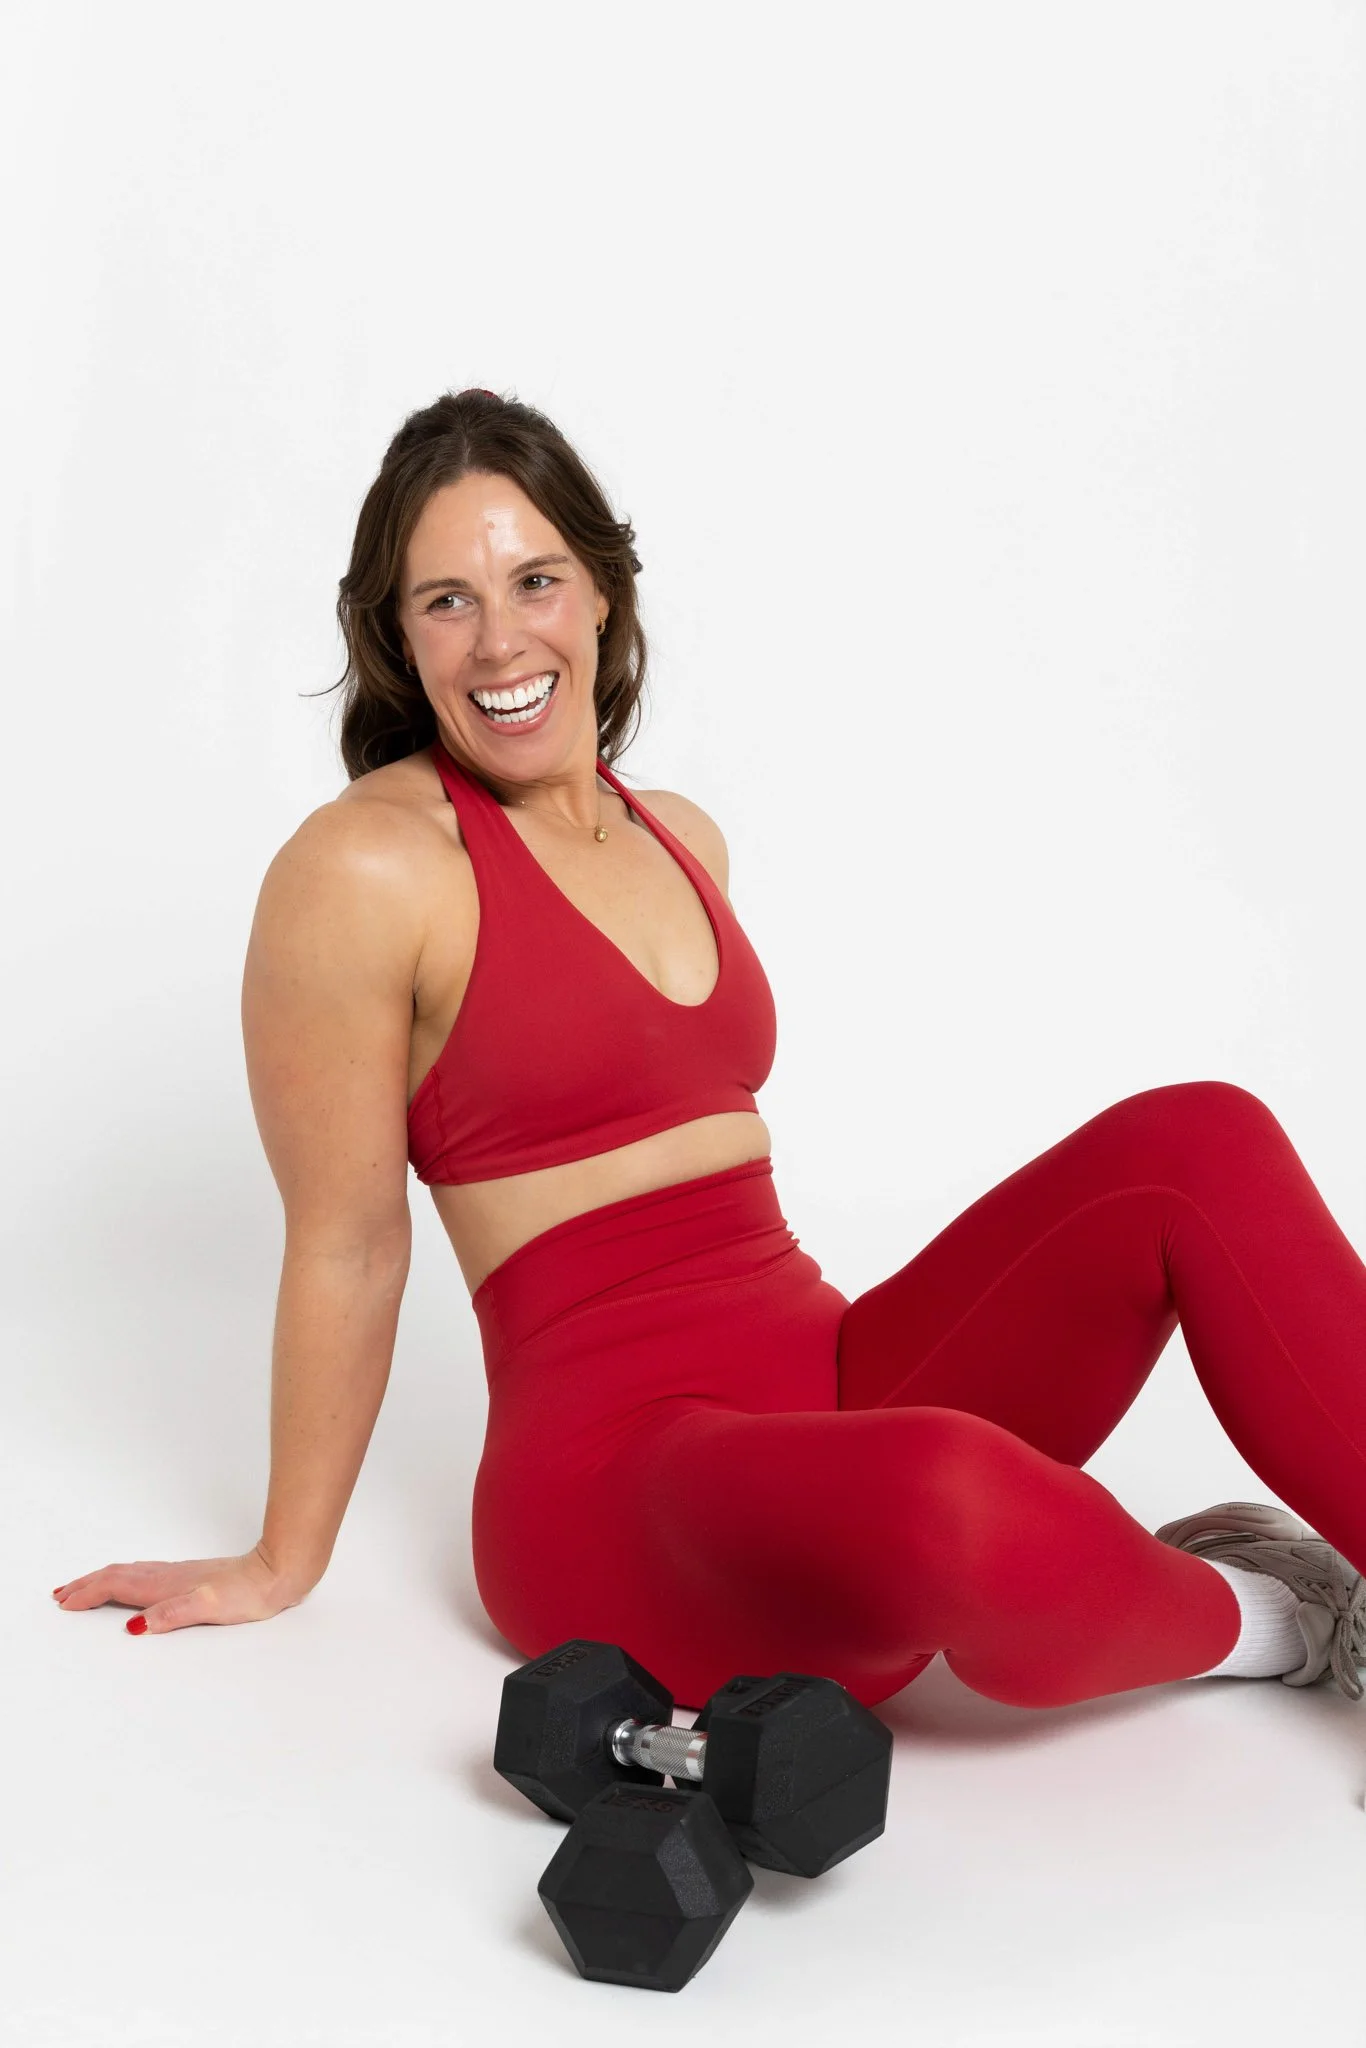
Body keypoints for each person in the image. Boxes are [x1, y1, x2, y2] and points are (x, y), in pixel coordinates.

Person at [52, 389, 1366, 1714]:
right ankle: (1287, 1619)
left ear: (603, 594)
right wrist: (283, 1559)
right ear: (397, 638)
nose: (499, 637)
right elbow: (347, 1238)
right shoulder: (369, 868)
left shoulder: (680, 833)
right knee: (950, 1496)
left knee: (1198, 1140)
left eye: (534, 580)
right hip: (620, 1485)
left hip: (826, 1390)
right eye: (444, 600)